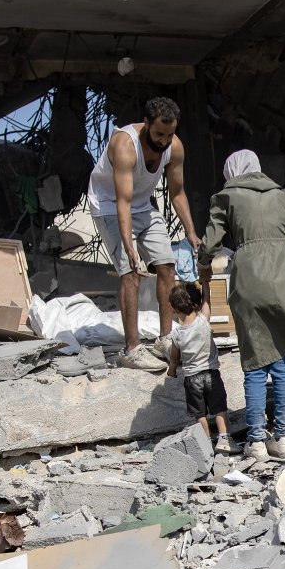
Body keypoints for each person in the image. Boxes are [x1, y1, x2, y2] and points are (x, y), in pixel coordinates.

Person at [198, 150, 285, 461]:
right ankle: (284, 439)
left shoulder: (226, 197)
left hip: (249, 281)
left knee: (255, 364)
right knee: (282, 363)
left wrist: (203, 263)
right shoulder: (282, 195)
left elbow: (210, 243)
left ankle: (256, 441)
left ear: (233, 171)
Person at [85, 96, 200, 372]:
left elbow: (178, 192)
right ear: (146, 123)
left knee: (167, 264)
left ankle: (164, 338)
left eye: (170, 134)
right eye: (159, 133)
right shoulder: (125, 145)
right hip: (110, 205)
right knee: (130, 272)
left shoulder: (175, 147)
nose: (164, 140)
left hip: (143, 206)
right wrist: (129, 247)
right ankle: (132, 349)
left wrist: (191, 231)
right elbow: (121, 201)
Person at [165, 282, 231, 451]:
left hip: (192, 378)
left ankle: (206, 442)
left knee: (199, 414)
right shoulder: (203, 320)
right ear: (196, 303)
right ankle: (224, 439)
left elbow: (174, 356)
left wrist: (171, 370)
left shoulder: (177, 333)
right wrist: (206, 284)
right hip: (211, 374)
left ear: (174, 309)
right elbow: (207, 302)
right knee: (219, 408)